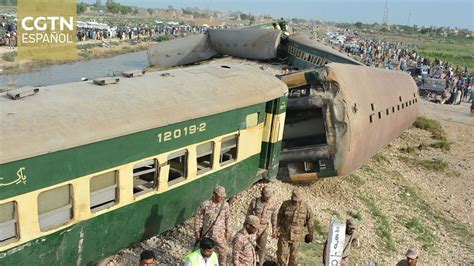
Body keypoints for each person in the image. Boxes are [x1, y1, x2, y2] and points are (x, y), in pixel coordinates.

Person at [276, 188, 314, 266]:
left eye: (298, 200)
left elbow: (310, 220)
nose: (296, 202)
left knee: (294, 258)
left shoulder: (306, 207)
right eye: (294, 200)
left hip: (297, 236)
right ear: (291, 197)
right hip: (284, 234)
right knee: (281, 255)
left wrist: (311, 233)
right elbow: (279, 217)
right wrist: (276, 229)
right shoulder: (285, 204)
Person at [194, 185, 231, 266]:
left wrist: (227, 231)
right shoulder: (205, 205)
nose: (222, 199)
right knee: (205, 253)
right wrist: (197, 231)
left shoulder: (225, 205)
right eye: (220, 197)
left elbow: (227, 218)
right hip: (208, 234)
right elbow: (198, 218)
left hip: (220, 234)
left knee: (223, 252)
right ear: (214, 194)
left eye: (223, 197)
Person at [246, 186, 277, 266]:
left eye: (269, 197)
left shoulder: (273, 203)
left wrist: (274, 229)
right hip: (253, 228)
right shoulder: (255, 201)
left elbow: (274, 217)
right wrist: (246, 227)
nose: (267, 199)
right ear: (262, 194)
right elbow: (248, 214)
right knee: (251, 246)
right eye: (266, 196)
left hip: (264, 229)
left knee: (262, 248)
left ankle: (260, 263)